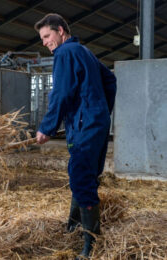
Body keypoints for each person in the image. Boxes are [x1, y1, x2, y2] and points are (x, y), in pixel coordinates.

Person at [34, 13, 117, 259]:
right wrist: (100, 111)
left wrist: (47, 127)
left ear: (60, 30)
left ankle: (91, 244)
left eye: (47, 36)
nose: (44, 42)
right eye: (42, 38)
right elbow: (110, 80)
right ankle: (74, 226)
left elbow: (60, 93)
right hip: (95, 124)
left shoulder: (65, 53)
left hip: (85, 125)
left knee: (81, 176)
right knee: (84, 175)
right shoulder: (84, 51)